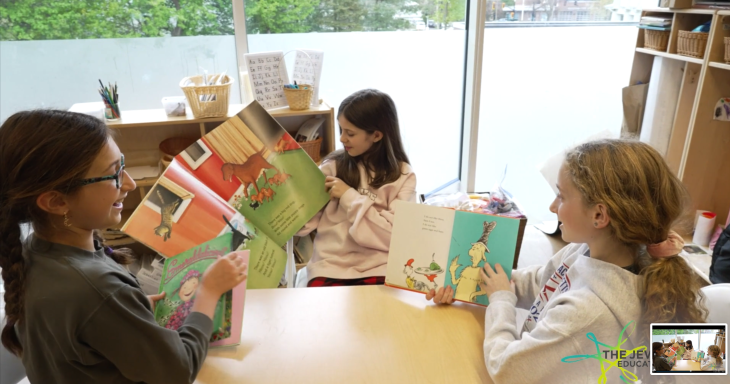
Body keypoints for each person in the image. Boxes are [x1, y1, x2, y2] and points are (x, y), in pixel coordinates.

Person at [427, 139, 708, 383]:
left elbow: (505, 369)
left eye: (561, 195)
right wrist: (467, 284)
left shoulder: (587, 312)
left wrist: (501, 299)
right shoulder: (588, 251)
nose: (552, 206)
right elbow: (540, 282)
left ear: (599, 216)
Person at [0, 110, 247, 384]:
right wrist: (207, 294)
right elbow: (179, 371)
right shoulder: (97, 290)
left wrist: (129, 314)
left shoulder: (32, 251)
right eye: (112, 175)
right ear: (57, 202)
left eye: (122, 165)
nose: (128, 183)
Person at [297, 89, 417, 287]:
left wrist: (348, 196)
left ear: (377, 135)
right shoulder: (331, 166)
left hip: (381, 268)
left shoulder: (403, 175)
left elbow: (393, 236)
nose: (342, 139)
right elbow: (303, 225)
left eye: (350, 133)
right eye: (341, 130)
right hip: (330, 266)